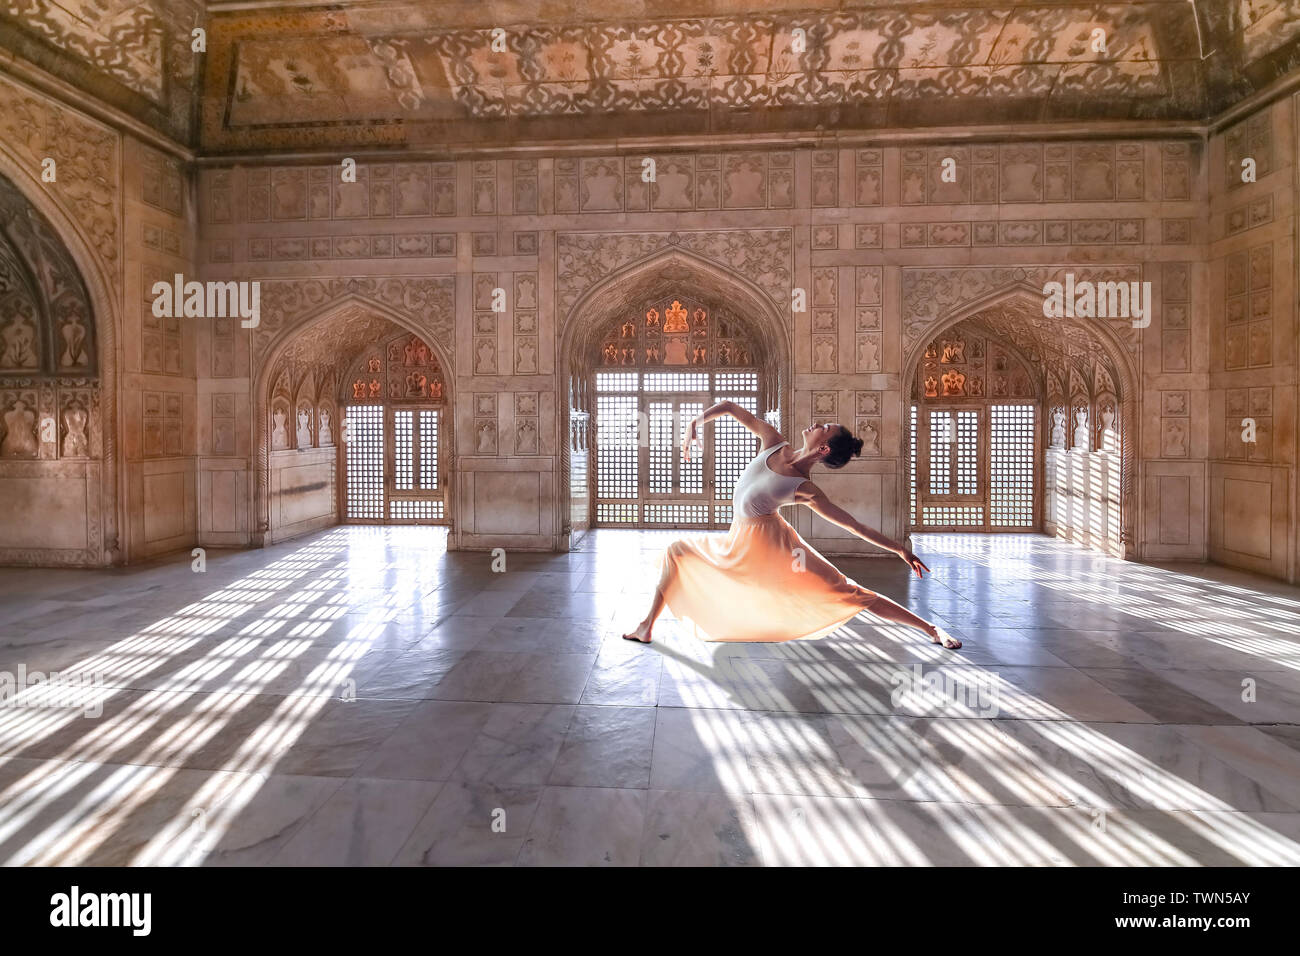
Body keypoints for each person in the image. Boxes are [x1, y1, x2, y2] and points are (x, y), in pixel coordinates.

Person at [621, 401, 962, 649]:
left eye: (823, 426)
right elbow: (730, 407)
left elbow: (855, 526)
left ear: (824, 446)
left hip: (775, 548)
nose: (816, 422)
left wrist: (900, 548)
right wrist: (697, 420)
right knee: (676, 552)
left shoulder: (805, 488)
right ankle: (646, 626)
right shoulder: (774, 441)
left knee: (848, 592)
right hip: (740, 539)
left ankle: (931, 628)